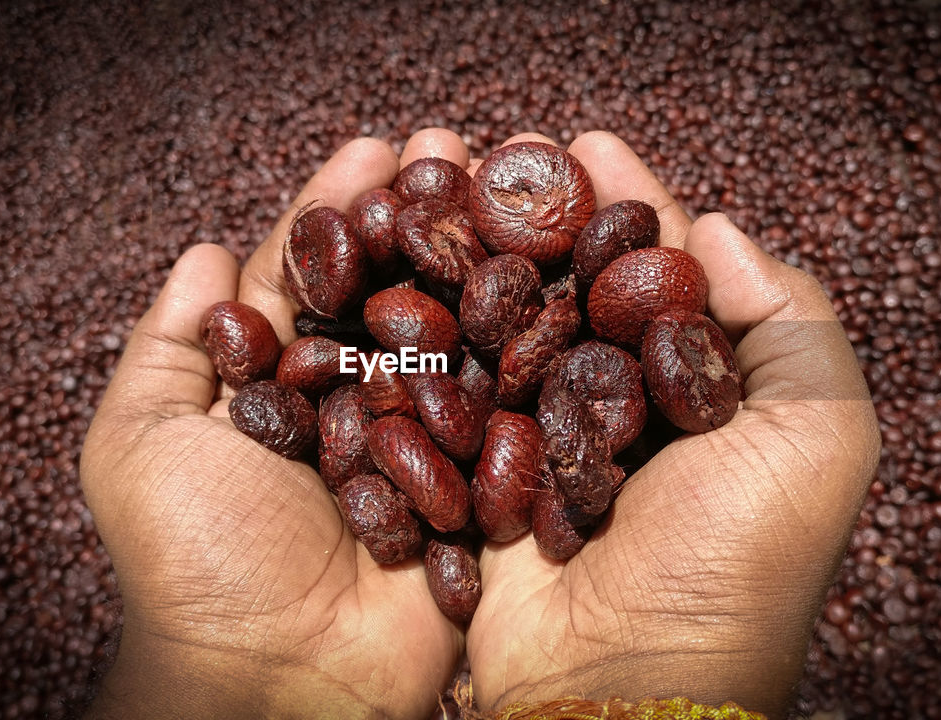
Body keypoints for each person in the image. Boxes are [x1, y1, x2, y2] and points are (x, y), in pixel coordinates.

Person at [79, 129, 879, 719]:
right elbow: (417, 384)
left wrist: (213, 666)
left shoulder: (506, 355)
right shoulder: (399, 365)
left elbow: (461, 394)